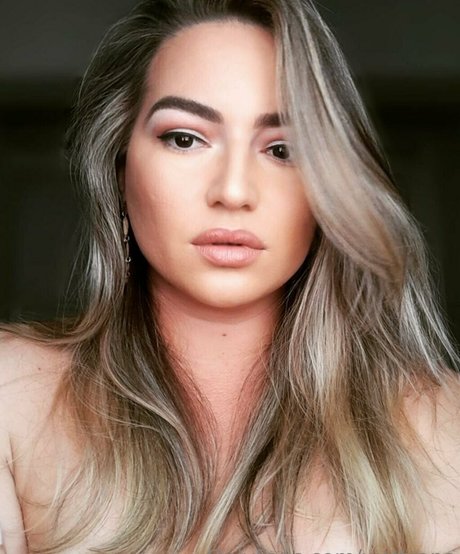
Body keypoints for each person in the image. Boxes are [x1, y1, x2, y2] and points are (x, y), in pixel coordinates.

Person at [1, 0, 460, 552]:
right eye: (185, 138)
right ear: (120, 168)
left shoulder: (441, 431)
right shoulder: (13, 398)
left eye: (282, 149)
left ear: (329, 185)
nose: (234, 191)